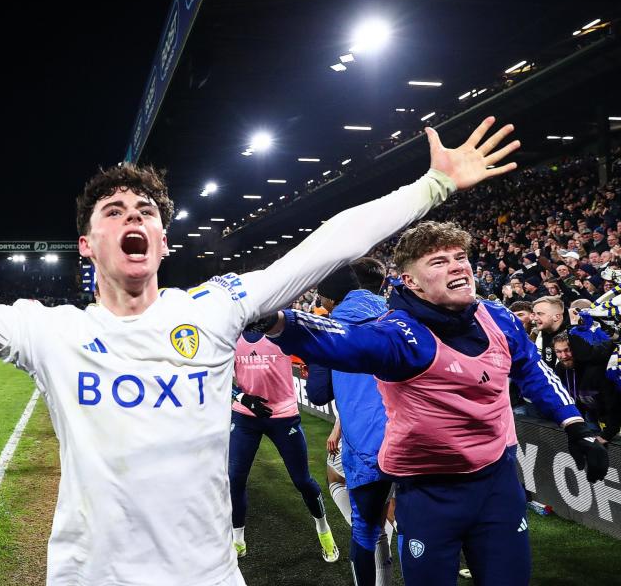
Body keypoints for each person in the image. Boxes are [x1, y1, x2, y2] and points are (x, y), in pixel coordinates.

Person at [0, 118, 518, 586]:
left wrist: (431, 187)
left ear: (162, 237)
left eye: (146, 209)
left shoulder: (220, 309)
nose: (133, 214)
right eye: (114, 208)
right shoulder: (52, 333)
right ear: (87, 244)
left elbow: (322, 247)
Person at [250, 221, 609, 585]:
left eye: (461, 257)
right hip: (428, 489)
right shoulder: (400, 334)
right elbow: (343, 340)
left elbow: (532, 368)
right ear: (411, 282)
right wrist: (277, 321)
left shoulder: (497, 317)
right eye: (438, 262)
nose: (457, 266)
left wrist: (574, 423)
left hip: (497, 481)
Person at [304, 262, 395, 586]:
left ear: (329, 299)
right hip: (415, 440)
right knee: (419, 531)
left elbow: (317, 393)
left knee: (366, 530)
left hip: (368, 447)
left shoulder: (325, 329)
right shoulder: (402, 314)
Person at [229, 327, 338, 563]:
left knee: (302, 481)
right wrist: (242, 397)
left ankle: (323, 530)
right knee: (235, 478)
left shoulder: (280, 331)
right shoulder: (231, 335)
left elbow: (316, 353)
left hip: (283, 416)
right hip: (245, 416)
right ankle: (238, 541)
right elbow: (217, 376)